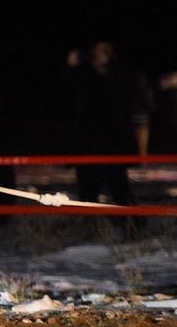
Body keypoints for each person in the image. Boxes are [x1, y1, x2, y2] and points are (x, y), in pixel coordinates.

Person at [62, 41, 154, 205]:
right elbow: (68, 92)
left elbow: (123, 94)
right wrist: (73, 66)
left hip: (113, 143)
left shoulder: (120, 75)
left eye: (103, 52)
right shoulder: (85, 76)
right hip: (87, 144)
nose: (97, 55)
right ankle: (90, 227)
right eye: (95, 52)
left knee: (119, 189)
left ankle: (129, 225)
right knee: (87, 191)